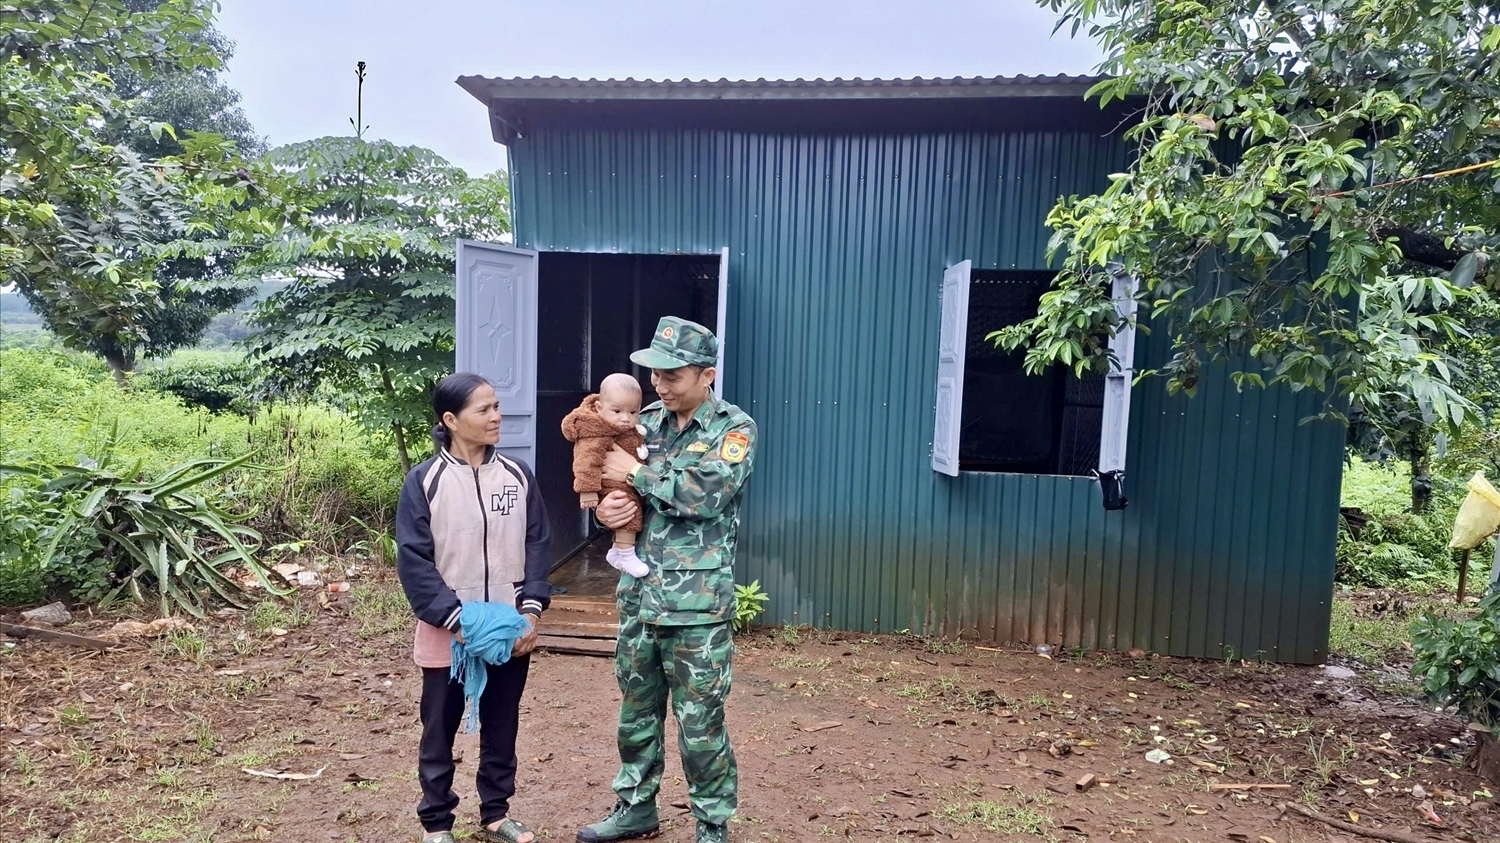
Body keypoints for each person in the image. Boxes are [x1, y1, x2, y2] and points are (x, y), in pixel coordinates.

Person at [577, 317, 758, 843]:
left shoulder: (733, 429)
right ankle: (635, 807)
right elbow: (614, 484)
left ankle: (711, 822)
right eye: (655, 373)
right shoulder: (644, 422)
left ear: (707, 375)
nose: (659, 384)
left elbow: (706, 496)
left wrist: (635, 473)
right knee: (635, 712)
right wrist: (609, 510)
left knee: (700, 723)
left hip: (697, 606)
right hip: (639, 595)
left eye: (673, 375)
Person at [396, 372, 552, 843]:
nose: (496, 416)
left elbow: (538, 544)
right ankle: (437, 823)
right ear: (451, 419)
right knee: (439, 728)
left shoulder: (517, 476)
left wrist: (529, 611)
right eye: (483, 409)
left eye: (497, 406)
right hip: (449, 629)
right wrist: (457, 621)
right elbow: (414, 560)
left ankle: (496, 814)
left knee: (502, 724)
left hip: (509, 627)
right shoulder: (425, 481)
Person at [561, 372, 650, 577]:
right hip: (612, 486)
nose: (626, 418)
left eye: (633, 412)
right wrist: (588, 491)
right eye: (617, 411)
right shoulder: (597, 431)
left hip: (630, 486)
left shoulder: (630, 424)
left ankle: (619, 550)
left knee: (630, 508)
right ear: (600, 408)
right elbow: (586, 461)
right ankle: (625, 553)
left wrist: (635, 470)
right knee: (627, 509)